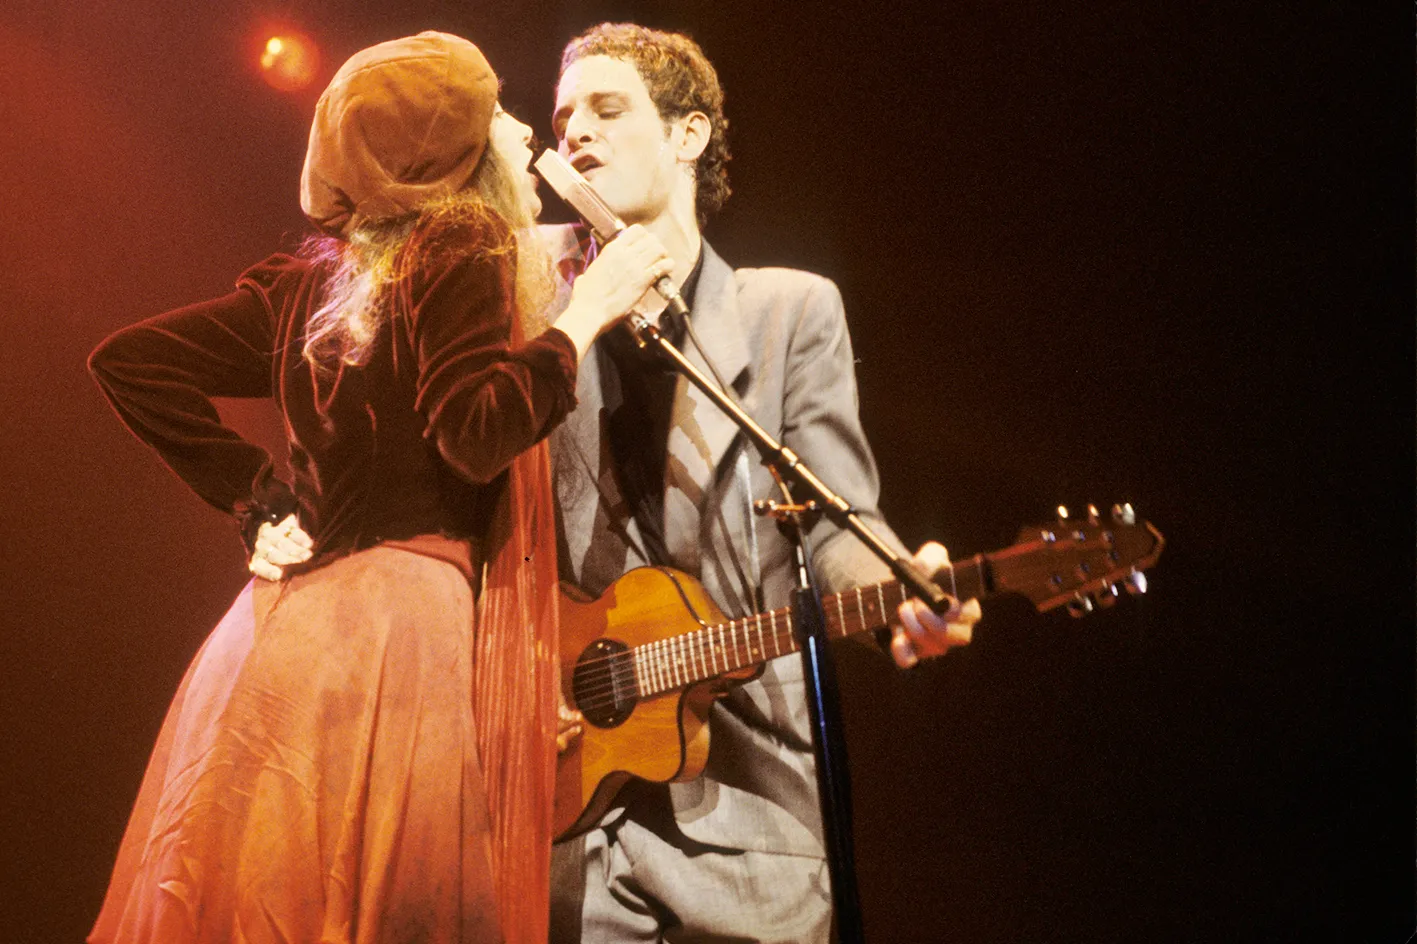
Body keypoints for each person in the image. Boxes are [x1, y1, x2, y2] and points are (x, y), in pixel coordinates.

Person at [86, 31, 673, 944]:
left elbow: (130, 361)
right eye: (500, 118)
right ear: (455, 155)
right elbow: (475, 434)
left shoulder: (311, 281)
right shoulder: (463, 242)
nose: (525, 135)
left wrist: (258, 500)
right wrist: (585, 315)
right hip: (393, 637)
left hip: (280, 644)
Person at [539, 23, 980, 944]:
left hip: (749, 798)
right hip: (566, 799)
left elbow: (836, 520)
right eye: (564, 113)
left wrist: (899, 583)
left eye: (607, 108)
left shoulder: (789, 311)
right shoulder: (528, 293)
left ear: (686, 136)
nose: (576, 129)